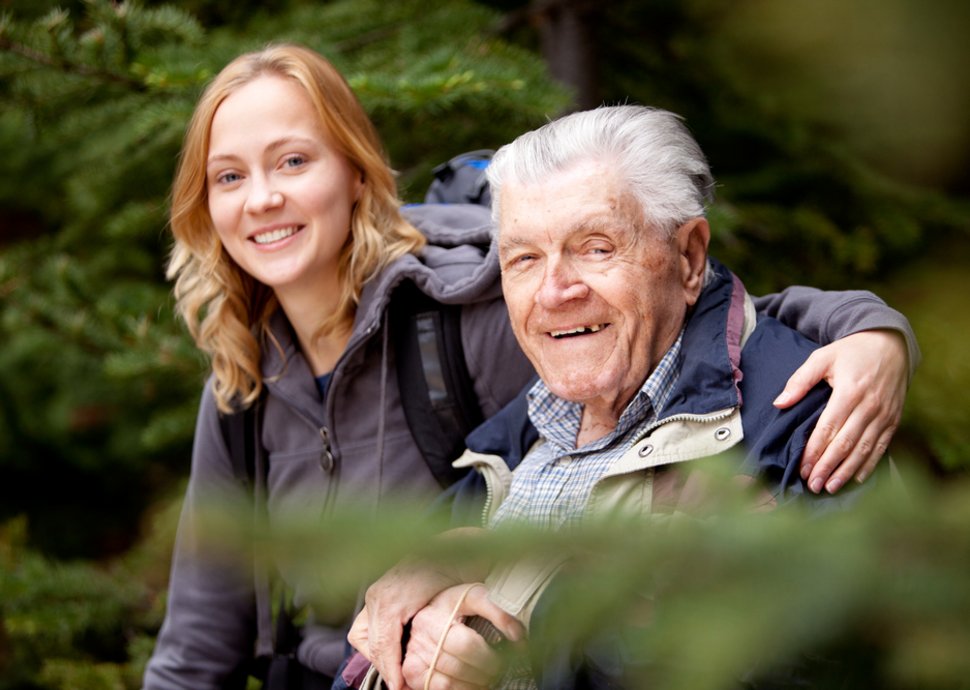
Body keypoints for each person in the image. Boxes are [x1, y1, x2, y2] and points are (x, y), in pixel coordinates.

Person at [142, 43, 917, 689]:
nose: (555, 290)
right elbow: (201, 640)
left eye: (594, 247)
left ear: (355, 172)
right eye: (229, 176)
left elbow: (709, 325)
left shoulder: (464, 324)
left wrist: (870, 332)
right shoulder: (258, 384)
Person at [345, 105, 916, 690]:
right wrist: (408, 637)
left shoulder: (808, 422)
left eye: (595, 247)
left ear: (689, 257)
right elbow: (380, 650)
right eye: (524, 259)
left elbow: (824, 663)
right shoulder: (514, 436)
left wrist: (518, 649)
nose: (554, 291)